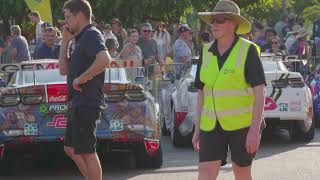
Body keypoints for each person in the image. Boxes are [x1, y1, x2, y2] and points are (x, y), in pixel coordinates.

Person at [195, 1, 266, 180]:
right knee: (204, 175)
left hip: (242, 126)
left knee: (241, 174)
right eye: (213, 20)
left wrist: (254, 131)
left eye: (220, 20)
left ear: (233, 23)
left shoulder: (248, 50)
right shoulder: (204, 52)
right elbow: (201, 93)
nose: (214, 24)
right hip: (210, 126)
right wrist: (197, 128)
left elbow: (259, 93)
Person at [59, 1, 111, 180]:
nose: (66, 23)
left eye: (68, 17)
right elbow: (63, 70)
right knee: (71, 149)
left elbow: (105, 59)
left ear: (80, 15)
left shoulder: (90, 34)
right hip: (78, 103)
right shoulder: (79, 39)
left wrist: (82, 78)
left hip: (87, 102)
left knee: (87, 151)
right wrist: (65, 42)